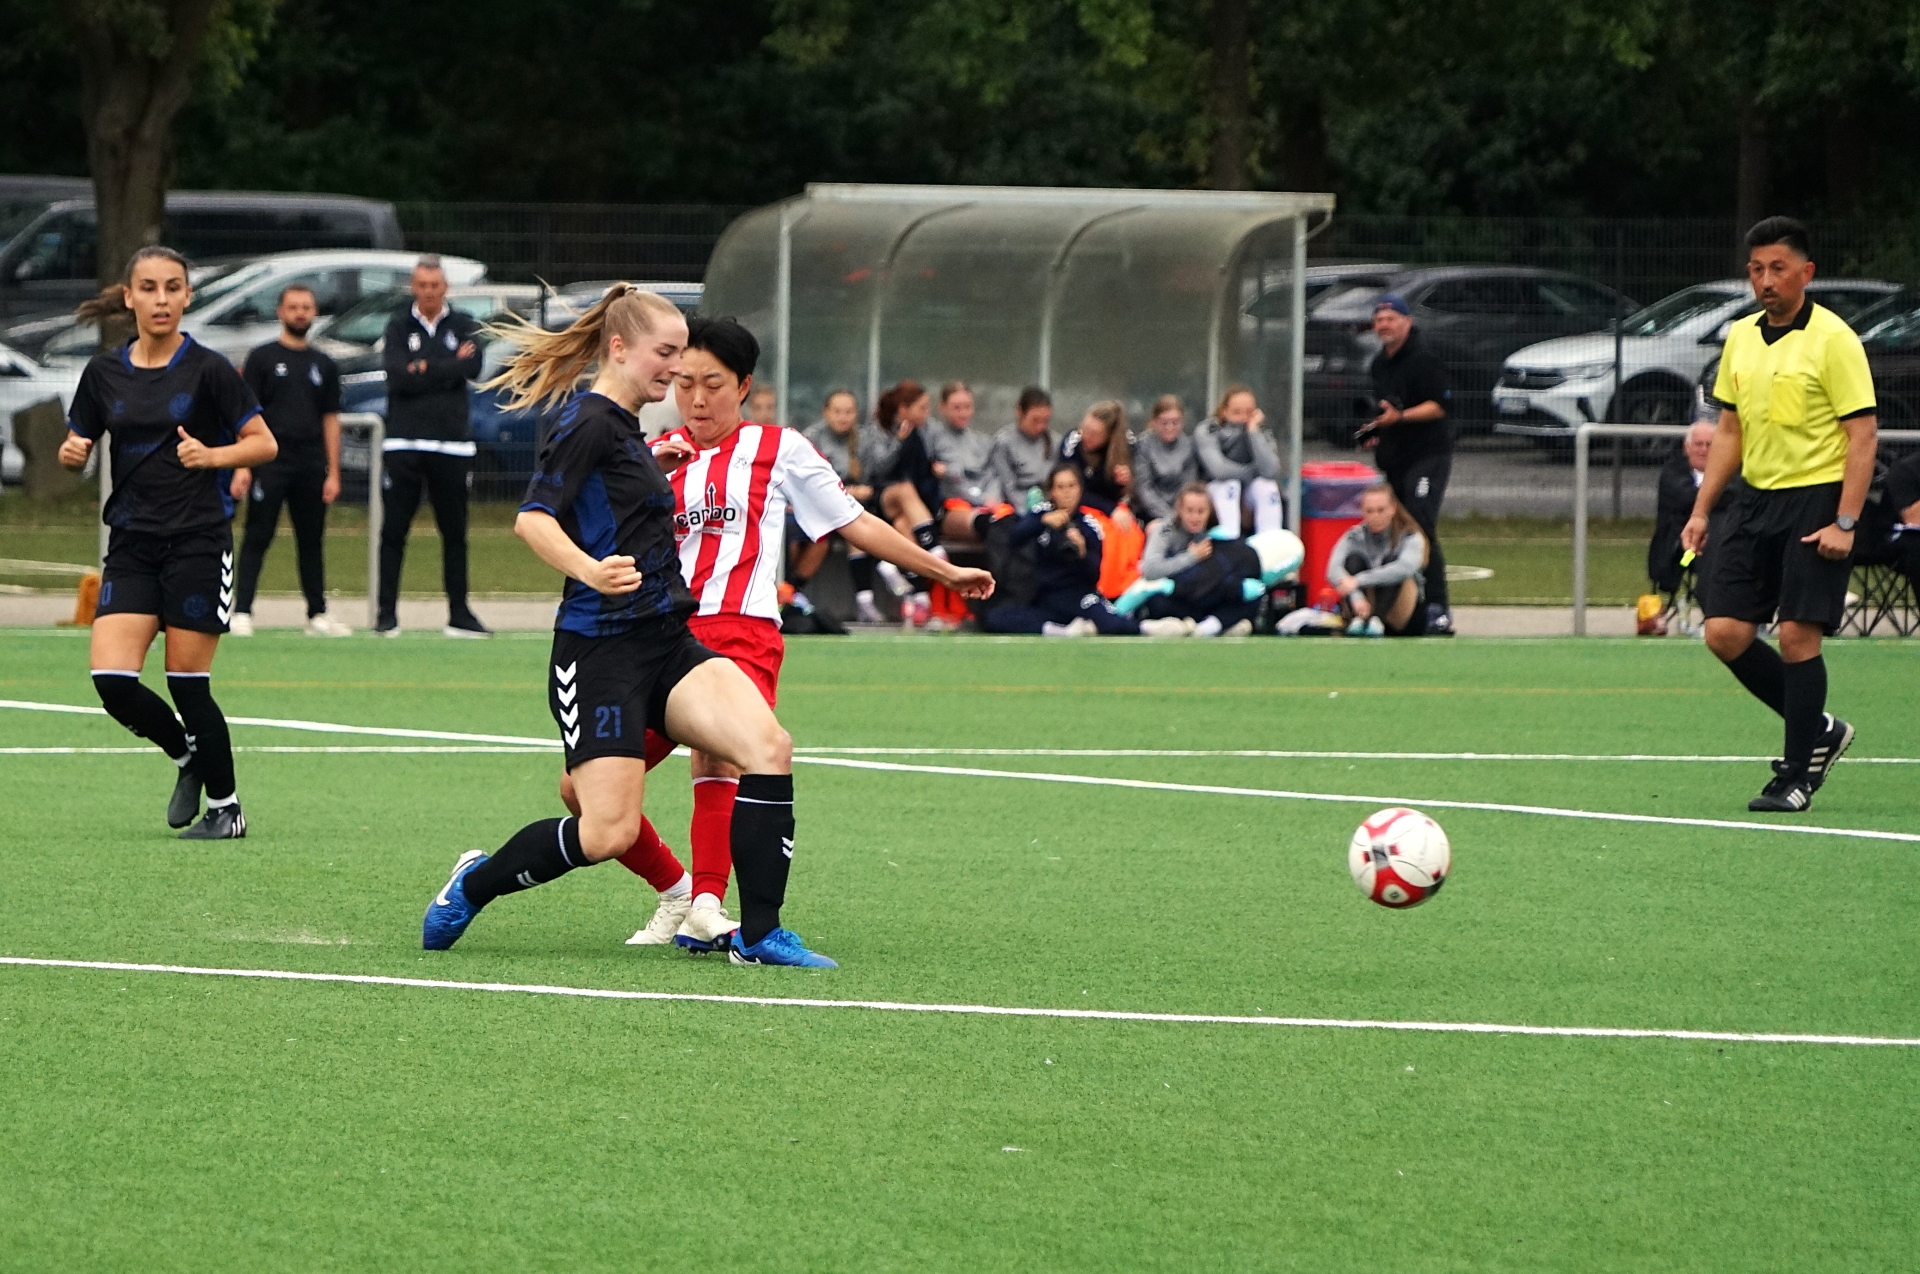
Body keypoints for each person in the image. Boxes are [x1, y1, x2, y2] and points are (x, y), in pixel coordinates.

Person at [421, 286, 836, 967]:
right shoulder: (588, 421)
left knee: (768, 746)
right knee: (605, 833)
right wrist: (590, 570)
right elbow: (533, 520)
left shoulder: (628, 430)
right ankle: (475, 882)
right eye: (666, 353)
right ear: (620, 348)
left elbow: (613, 497)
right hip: (600, 653)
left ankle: (759, 935)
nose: (676, 368)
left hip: (668, 642)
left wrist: (651, 467)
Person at [562, 317, 991, 950]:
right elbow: (587, 530)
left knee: (720, 755)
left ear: (744, 386)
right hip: (655, 639)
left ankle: (708, 906)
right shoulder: (653, 454)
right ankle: (677, 890)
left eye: (713, 384)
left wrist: (943, 570)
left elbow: (854, 521)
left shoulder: (779, 448)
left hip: (741, 631)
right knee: (578, 788)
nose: (697, 399)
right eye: (684, 383)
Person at [56, 246, 278, 839]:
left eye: (173, 287)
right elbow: (78, 442)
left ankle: (227, 810)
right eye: (150, 288)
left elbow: (263, 442)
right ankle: (187, 757)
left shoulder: (208, 369)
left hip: (197, 541)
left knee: (187, 683)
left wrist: (213, 455)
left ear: (187, 296)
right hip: (131, 544)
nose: (161, 299)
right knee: (112, 680)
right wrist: (72, 453)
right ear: (129, 297)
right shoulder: (103, 372)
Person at [1684, 217, 1877, 814]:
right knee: (1724, 633)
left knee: (1796, 634)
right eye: (1756, 270)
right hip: (1754, 499)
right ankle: (1819, 730)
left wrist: (1846, 521)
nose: (1766, 281)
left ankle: (1796, 776)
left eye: (1778, 269)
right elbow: (1730, 430)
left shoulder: (1835, 339)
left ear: (1806, 273)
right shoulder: (1741, 336)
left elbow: (1863, 434)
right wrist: (1701, 509)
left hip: (1816, 498)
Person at [376, 255, 489, 639]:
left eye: (435, 286)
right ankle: (386, 615)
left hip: (451, 445)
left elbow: (472, 368)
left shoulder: (464, 324)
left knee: (455, 533)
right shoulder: (397, 326)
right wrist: (445, 366)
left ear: (445, 288)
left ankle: (459, 614)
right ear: (414, 287)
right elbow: (397, 377)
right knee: (394, 530)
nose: (428, 292)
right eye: (422, 285)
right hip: (404, 443)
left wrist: (423, 367)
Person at [228, 285, 350, 637]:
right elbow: (245, 415)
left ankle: (317, 613)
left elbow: (331, 419)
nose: (300, 313)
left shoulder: (324, 364)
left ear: (315, 312)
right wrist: (242, 465)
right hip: (270, 462)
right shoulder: (262, 358)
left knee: (311, 540)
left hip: (310, 463)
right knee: (258, 534)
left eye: (306, 307)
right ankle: (242, 610)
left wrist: (333, 472)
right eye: (293, 307)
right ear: (280, 312)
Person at [1359, 294, 1454, 634]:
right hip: (1396, 458)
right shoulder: (1379, 364)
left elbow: (1437, 407)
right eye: (1379, 319)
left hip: (1428, 455)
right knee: (1396, 529)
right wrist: (1374, 430)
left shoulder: (1424, 359)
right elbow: (1386, 411)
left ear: (1407, 322)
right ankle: (1404, 608)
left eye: (1391, 318)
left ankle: (1438, 608)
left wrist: (1399, 418)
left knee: (1420, 522)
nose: (1384, 325)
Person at [980, 464, 1155, 636]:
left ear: (1080, 490)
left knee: (1109, 623)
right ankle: (1062, 631)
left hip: (1078, 594)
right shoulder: (1042, 513)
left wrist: (1082, 552)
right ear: (1052, 492)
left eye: (1071, 486)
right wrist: (1043, 521)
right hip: (1046, 596)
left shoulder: (1089, 525)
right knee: (997, 617)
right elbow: (1016, 536)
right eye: (1060, 487)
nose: (1066, 493)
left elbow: (1095, 574)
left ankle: (1147, 628)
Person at [800, 388, 896, 622]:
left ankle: (866, 600)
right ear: (826, 412)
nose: (843, 417)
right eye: (837, 411)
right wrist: (842, 490)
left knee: (855, 525)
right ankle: (883, 566)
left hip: (856, 510)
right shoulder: (811, 438)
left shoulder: (864, 439)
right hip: (817, 509)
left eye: (848, 412)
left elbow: (878, 475)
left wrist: (866, 489)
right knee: (851, 523)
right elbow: (805, 480)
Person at [1133, 482, 1260, 636]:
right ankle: (1213, 624)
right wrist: (1191, 556)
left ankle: (1210, 625)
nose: (1195, 517)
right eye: (1190, 511)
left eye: (1201, 512)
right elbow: (1150, 569)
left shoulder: (1215, 532)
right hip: (1177, 594)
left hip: (1208, 593)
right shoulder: (1165, 530)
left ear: (1209, 511)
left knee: (1250, 593)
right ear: (1180, 510)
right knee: (1157, 603)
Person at [1328, 483, 1429, 636]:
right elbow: (1333, 570)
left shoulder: (1410, 536)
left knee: (1392, 564)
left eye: (1381, 510)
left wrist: (1358, 581)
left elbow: (1405, 567)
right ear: (1362, 511)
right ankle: (1359, 620)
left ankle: (1377, 620)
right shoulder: (1354, 536)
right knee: (1353, 560)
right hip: (1363, 606)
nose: (1375, 516)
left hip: (1403, 615)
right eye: (1369, 511)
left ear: (1392, 509)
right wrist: (1356, 597)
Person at [1194, 385, 1282, 539]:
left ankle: (1269, 543)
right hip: (1214, 490)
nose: (1243, 418)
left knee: (1267, 486)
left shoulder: (1260, 432)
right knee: (1230, 485)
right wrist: (1252, 472)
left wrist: (1253, 432)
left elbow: (1271, 471)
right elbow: (1219, 470)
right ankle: (1231, 541)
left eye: (1249, 412)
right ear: (1224, 411)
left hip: (1247, 492)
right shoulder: (1208, 429)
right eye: (1237, 412)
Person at [923, 381, 1006, 543]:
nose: (963, 413)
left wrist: (992, 498)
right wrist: (981, 500)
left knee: (1010, 524)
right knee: (989, 524)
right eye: (956, 408)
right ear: (942, 407)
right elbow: (952, 482)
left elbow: (992, 475)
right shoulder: (934, 440)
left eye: (967, 407)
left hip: (986, 504)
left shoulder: (981, 440)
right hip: (953, 507)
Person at [1648, 419, 1717, 596]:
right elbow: (1687, 498)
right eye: (1699, 444)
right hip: (1682, 551)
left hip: (1719, 544)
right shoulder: (1672, 472)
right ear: (1687, 447)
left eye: (1709, 445)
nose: (1704, 450)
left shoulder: (1729, 474)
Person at [988, 387, 1059, 513]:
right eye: (1035, 420)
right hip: (1017, 506)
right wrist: (1031, 513)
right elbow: (1007, 487)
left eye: (1045, 421)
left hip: (1050, 504)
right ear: (1019, 412)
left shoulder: (1055, 441)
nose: (1041, 426)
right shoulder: (1004, 443)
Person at [1058, 400, 1134, 515]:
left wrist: (1126, 483)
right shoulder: (1073, 442)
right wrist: (1110, 509)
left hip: (1117, 509)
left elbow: (1138, 489)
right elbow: (1069, 490)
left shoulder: (1128, 444)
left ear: (1109, 435)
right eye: (1084, 428)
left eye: (1094, 434)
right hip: (1081, 508)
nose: (1086, 436)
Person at [1131, 394, 1197, 525]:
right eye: (1164, 423)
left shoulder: (1188, 446)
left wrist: (1181, 513)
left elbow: (1188, 486)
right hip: (1150, 512)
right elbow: (1144, 489)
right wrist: (1169, 516)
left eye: (1175, 422)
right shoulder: (1144, 444)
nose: (1169, 427)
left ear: (1182, 422)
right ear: (1154, 421)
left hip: (1182, 511)